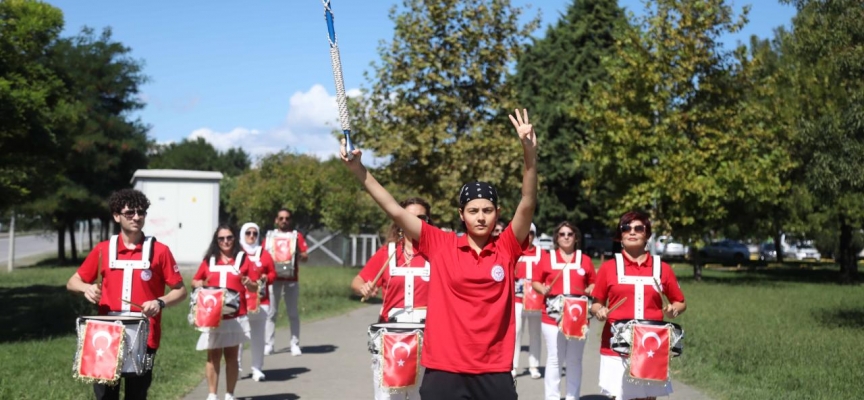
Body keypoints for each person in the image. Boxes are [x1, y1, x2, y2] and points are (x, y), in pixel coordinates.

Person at [340, 108, 537, 400]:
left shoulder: (507, 248)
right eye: (473, 211)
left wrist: (529, 154)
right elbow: (394, 209)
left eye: (487, 210)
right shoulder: (440, 243)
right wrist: (359, 170)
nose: (480, 217)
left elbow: (528, 200)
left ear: (498, 213)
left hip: (493, 371)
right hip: (444, 371)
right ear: (461, 214)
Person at [66, 189, 187, 400]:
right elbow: (72, 282)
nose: (137, 217)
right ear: (116, 216)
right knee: (105, 396)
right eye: (129, 213)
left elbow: (181, 291)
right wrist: (86, 288)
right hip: (104, 335)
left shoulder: (160, 251)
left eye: (141, 212)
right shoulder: (103, 249)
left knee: (137, 395)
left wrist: (160, 301)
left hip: (145, 336)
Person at [590, 211, 686, 400]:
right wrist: (599, 311)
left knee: (647, 398)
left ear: (647, 234)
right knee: (621, 396)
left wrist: (674, 309)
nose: (631, 232)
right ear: (620, 235)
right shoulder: (608, 267)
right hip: (617, 345)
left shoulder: (662, 268)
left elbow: (679, 302)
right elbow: (596, 303)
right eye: (626, 228)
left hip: (651, 344)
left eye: (638, 228)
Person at [351, 197, 433, 400]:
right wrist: (364, 288)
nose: (415, 221)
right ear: (399, 221)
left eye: (421, 217)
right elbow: (357, 281)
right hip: (390, 338)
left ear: (428, 221)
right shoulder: (387, 253)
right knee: (388, 396)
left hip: (428, 338)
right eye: (409, 217)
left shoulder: (437, 254)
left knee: (420, 396)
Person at [192, 224, 260, 400]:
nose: (226, 241)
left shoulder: (243, 259)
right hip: (211, 314)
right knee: (213, 355)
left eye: (229, 237)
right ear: (217, 241)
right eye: (221, 238)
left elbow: (254, 286)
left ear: (234, 238)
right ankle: (212, 394)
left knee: (231, 356)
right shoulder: (210, 260)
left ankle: (229, 394)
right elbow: (195, 280)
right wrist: (198, 284)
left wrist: (248, 282)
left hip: (235, 315)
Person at [533, 221, 596, 400]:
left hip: (579, 318)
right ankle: (552, 397)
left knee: (575, 360)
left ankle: (572, 397)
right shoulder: (547, 258)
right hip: (552, 317)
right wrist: (541, 289)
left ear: (576, 238)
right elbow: (536, 280)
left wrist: (591, 288)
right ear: (556, 238)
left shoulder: (585, 260)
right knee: (555, 359)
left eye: (570, 234)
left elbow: (593, 281)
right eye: (562, 234)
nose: (566, 237)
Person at [263, 208, 309, 356]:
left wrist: (300, 255)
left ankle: (294, 344)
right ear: (276, 220)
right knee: (271, 313)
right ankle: (268, 344)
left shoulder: (297, 237)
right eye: (281, 218)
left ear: (290, 220)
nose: (284, 221)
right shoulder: (270, 237)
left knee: (293, 313)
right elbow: (263, 256)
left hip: (291, 279)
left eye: (287, 218)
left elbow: (305, 255)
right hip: (273, 279)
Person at [237, 223, 276, 382]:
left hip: (261, 300)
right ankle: (237, 368)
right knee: (239, 336)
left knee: (258, 336)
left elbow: (273, 273)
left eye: (254, 233)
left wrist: (267, 277)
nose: (251, 236)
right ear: (242, 234)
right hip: (240, 301)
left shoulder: (264, 254)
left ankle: (257, 368)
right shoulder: (238, 253)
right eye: (248, 233)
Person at [512, 222, 544, 380]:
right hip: (517, 299)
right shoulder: (514, 252)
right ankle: (513, 366)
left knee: (535, 334)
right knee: (516, 332)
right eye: (525, 233)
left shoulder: (542, 254)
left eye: (531, 233)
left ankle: (534, 365)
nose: (528, 236)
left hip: (536, 301)